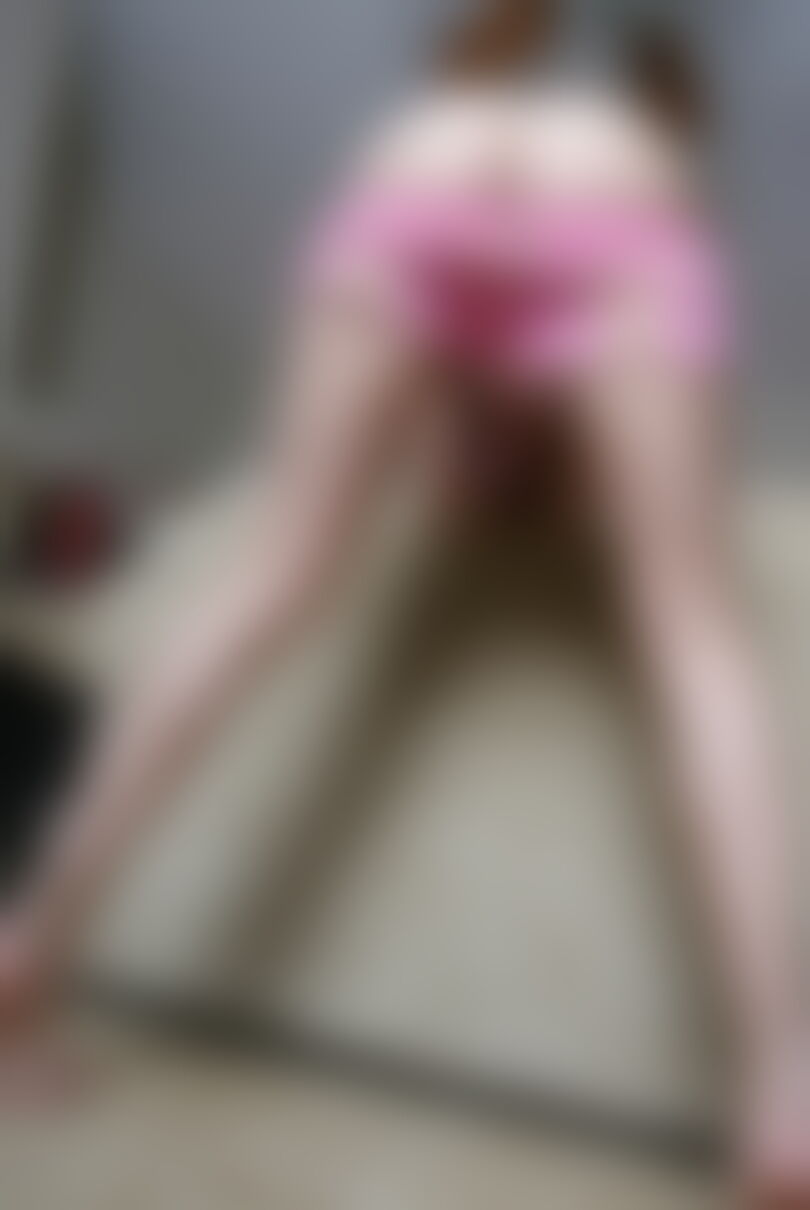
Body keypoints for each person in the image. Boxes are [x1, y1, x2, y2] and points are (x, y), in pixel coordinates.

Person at [2, 1, 808, 1203]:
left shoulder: (451, 96)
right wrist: (541, 450)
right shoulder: (657, 148)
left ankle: (34, 938)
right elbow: (528, 482)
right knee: (699, 634)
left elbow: (460, 482)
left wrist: (482, 438)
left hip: (405, 192)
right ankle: (785, 1089)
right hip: (624, 219)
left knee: (272, 572)